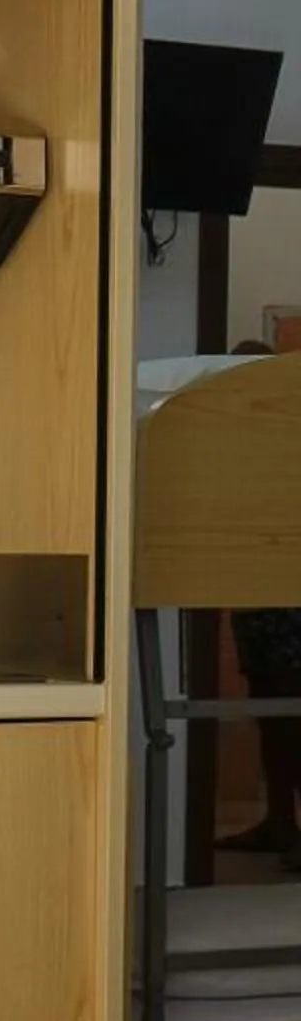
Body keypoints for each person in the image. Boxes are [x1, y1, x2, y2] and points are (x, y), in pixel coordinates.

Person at [220, 340, 301, 869]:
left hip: (285, 601)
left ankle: (284, 826)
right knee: (271, 714)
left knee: (288, 714)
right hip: (258, 600)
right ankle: (279, 822)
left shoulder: (283, 435)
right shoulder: (235, 439)